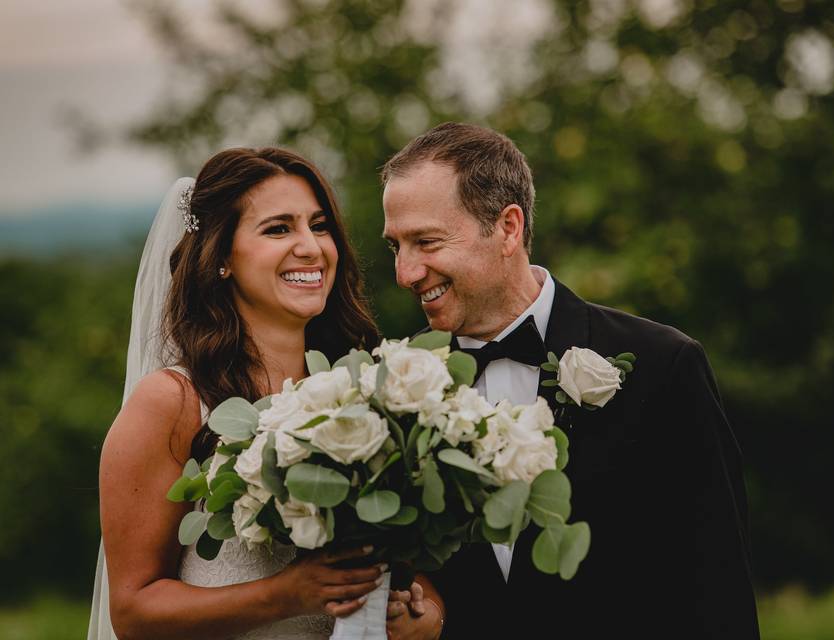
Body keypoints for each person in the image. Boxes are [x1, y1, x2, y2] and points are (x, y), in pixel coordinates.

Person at [380, 123, 761, 638]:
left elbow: (718, 584)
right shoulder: (392, 391)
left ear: (508, 228)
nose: (405, 273)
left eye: (425, 241)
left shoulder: (663, 365)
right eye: (395, 247)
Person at [88, 147, 433, 639]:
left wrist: (421, 612)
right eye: (278, 229)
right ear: (222, 256)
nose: (311, 248)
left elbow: (410, 565)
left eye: (319, 225)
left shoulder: (368, 389)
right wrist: (286, 595)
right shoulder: (174, 402)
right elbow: (133, 610)